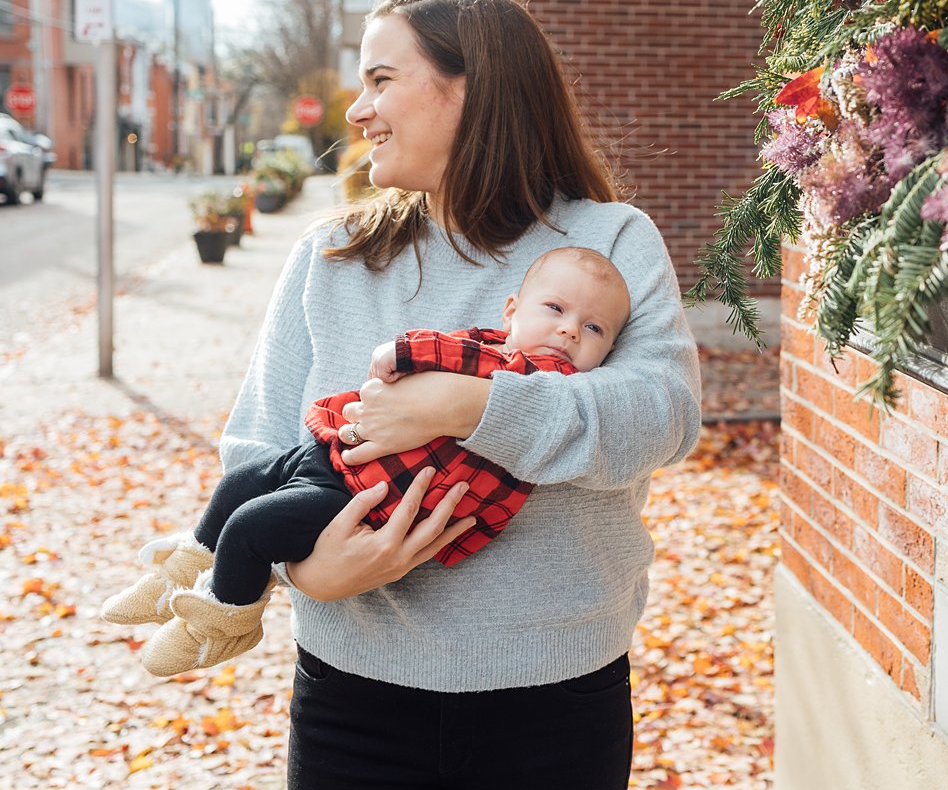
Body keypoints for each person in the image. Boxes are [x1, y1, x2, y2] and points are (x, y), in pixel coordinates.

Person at [168, 0, 698, 788]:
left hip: (555, 703)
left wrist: (471, 405)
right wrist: (307, 574)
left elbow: (661, 418)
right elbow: (259, 447)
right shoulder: (331, 257)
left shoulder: (608, 242)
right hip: (352, 700)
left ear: (472, 88)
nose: (356, 110)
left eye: (381, 79)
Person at [100, 246, 634, 680]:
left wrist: (403, 353)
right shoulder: (491, 346)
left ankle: (218, 622)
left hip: (361, 502)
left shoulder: (547, 379)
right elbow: (460, 351)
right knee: (243, 482)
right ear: (512, 310)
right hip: (338, 455)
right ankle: (182, 572)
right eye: (556, 311)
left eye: (595, 330)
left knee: (250, 527)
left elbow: (444, 355)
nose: (569, 332)